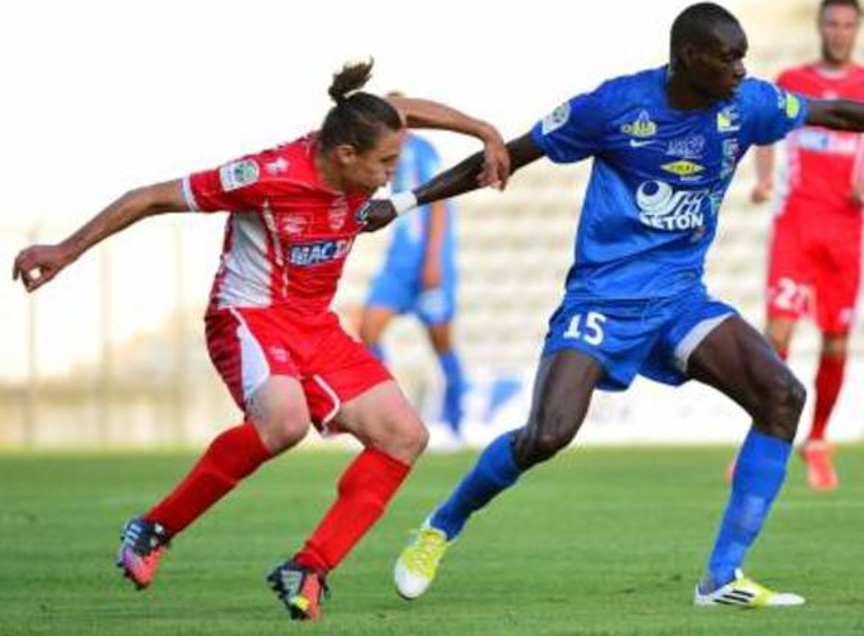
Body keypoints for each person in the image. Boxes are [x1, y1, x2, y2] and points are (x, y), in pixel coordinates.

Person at [357, 2, 864, 608]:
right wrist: (404, 202)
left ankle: (721, 577)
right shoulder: (613, 107)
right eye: (728, 58)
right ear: (688, 57)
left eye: (743, 57)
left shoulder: (747, 105)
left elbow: (836, 114)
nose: (741, 70)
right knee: (547, 435)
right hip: (603, 298)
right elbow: (507, 158)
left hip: (679, 298)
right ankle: (441, 524)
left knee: (781, 396)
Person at [10, 60, 509, 621]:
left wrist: (484, 131)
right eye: (386, 163)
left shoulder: (364, 128)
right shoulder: (265, 176)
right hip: (249, 315)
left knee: (403, 435)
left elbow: (401, 108)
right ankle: (153, 529)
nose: (392, 175)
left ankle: (310, 568)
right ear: (346, 155)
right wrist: (64, 250)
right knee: (284, 422)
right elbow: (149, 197)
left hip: (315, 324)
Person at [749, 0, 864, 491]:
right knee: (777, 335)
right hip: (796, 225)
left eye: (847, 25)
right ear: (819, 27)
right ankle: (765, 437)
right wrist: (764, 179)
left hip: (845, 230)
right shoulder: (793, 81)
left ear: (857, 30)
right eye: (832, 24)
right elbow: (765, 133)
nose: (839, 32)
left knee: (837, 338)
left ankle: (817, 440)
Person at [344, 108, 465, 447]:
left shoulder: (422, 151)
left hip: (428, 264)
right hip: (398, 264)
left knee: (442, 344)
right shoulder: (381, 152)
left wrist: (433, 261)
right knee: (368, 329)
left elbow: (439, 203)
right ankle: (385, 419)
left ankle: (456, 426)